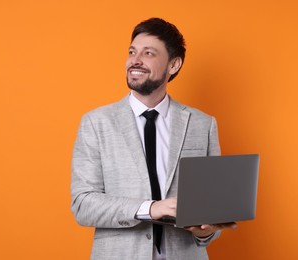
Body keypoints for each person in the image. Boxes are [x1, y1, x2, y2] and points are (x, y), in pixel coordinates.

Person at [71, 18, 236, 260]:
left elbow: (213, 211)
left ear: (174, 64)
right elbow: (83, 204)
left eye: (148, 53)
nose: (135, 60)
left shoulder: (203, 124)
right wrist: (150, 209)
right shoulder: (96, 123)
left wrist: (207, 231)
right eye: (132, 52)